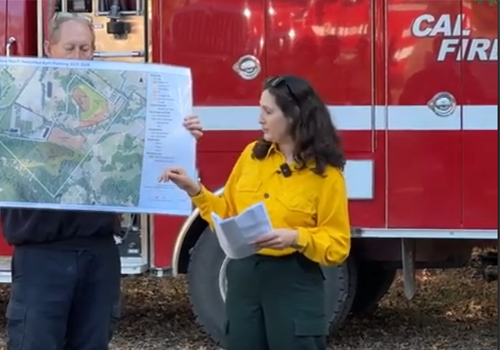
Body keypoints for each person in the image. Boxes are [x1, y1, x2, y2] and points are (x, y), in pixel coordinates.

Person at [1, 12, 203, 350]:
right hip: (42, 255)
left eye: (86, 48)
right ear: (49, 48)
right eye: (70, 47)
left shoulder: (114, 105)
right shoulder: (17, 100)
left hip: (99, 253)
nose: (78, 57)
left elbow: (147, 151)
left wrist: (181, 137)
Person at [159, 75, 351, 350]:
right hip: (244, 278)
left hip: (294, 280)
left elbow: (338, 244)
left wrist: (296, 237)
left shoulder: (326, 176)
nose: (259, 118)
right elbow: (227, 214)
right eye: (260, 108)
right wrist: (195, 190)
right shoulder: (252, 156)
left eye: (268, 111)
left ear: (294, 116)